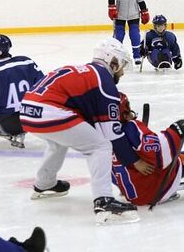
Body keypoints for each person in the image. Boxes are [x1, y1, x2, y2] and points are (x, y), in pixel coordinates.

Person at [19, 37, 149, 225]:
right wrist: (134, 161)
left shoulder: (84, 72)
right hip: (49, 112)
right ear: (112, 61)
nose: (121, 72)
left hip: (28, 112)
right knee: (100, 147)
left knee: (59, 142)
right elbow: (110, 135)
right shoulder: (104, 80)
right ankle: (104, 202)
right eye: (121, 66)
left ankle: (44, 184)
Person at [108, 0, 150, 65]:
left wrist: (144, 12)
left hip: (134, 15)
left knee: (135, 35)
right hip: (120, 15)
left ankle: (137, 56)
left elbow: (141, 1)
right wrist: (112, 9)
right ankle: (117, 56)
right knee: (119, 36)